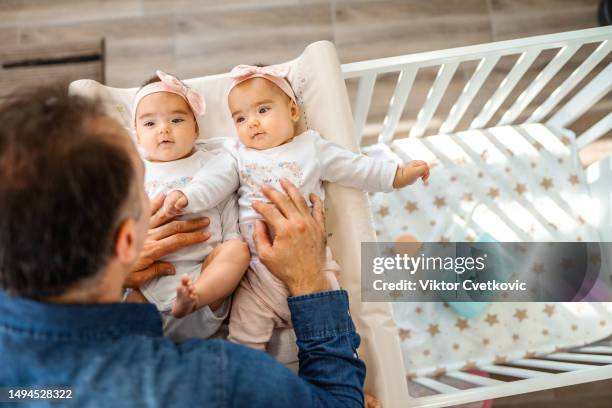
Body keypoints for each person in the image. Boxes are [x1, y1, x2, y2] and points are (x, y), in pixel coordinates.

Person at [0, 85, 366, 407]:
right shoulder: (220, 380)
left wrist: (109, 267)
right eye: (143, 191)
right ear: (128, 240)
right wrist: (310, 280)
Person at [163, 63, 431, 351]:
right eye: (240, 118)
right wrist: (188, 196)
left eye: (263, 110)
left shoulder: (311, 147)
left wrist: (397, 175)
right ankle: (252, 383)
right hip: (256, 276)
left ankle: (353, 375)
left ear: (293, 111)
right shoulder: (237, 154)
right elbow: (213, 180)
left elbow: (356, 167)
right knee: (244, 339)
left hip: (313, 266)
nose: (252, 123)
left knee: (336, 323)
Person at [127, 71, 249, 344]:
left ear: (196, 128)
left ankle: (192, 300)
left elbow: (230, 215)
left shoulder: (214, 163)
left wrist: (231, 243)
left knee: (237, 250)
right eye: (149, 123)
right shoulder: (132, 172)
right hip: (144, 289)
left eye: (177, 119)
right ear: (135, 135)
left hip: (204, 283)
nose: (164, 129)